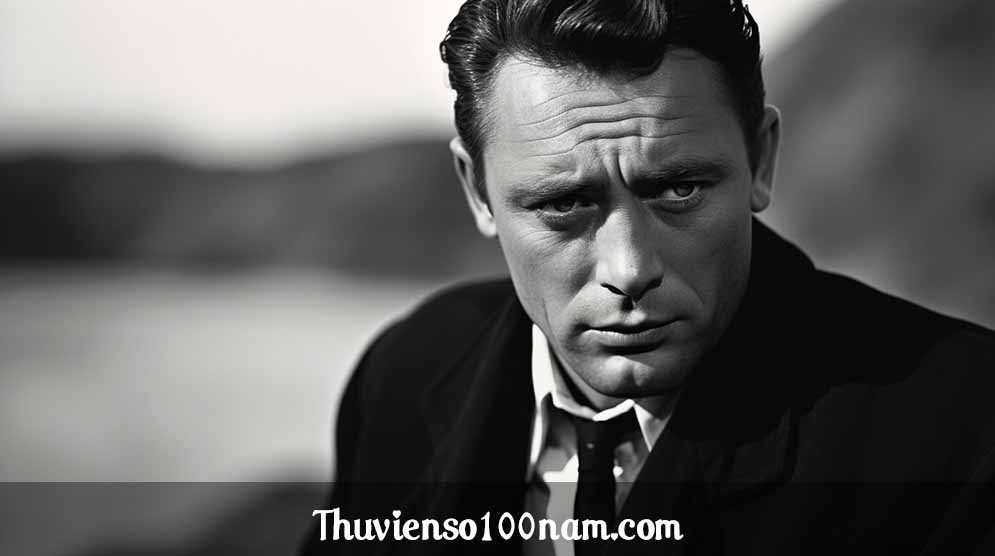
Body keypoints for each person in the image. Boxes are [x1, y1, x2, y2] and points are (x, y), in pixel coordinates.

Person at [302, 1, 995, 554]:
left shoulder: (962, 430)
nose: (629, 270)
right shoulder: (405, 371)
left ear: (759, 160)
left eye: (678, 190)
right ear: (477, 190)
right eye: (563, 205)